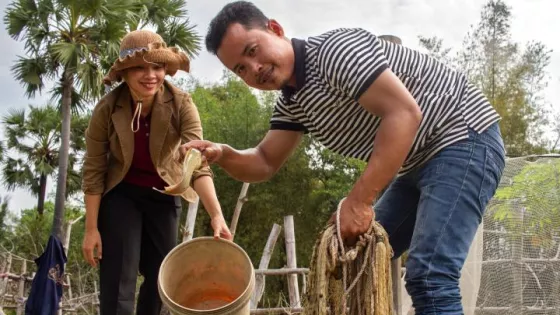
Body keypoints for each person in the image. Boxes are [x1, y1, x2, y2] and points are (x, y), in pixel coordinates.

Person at [184, 2, 507, 314]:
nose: (254, 69)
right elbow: (264, 162)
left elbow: (403, 113)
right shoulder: (293, 104)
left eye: (252, 51)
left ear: (276, 29)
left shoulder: (335, 50)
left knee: (431, 274)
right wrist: (223, 154)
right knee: (351, 260)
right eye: (240, 68)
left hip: (463, 138)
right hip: (417, 165)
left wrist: (358, 202)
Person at [80, 29, 232, 315]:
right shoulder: (107, 109)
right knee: (119, 277)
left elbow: (197, 163)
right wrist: (91, 230)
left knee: (163, 276)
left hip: (165, 193)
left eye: (157, 67)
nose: (150, 75)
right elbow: (94, 169)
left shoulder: (181, 103)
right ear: (124, 72)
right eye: (140, 67)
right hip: (121, 194)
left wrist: (216, 215)